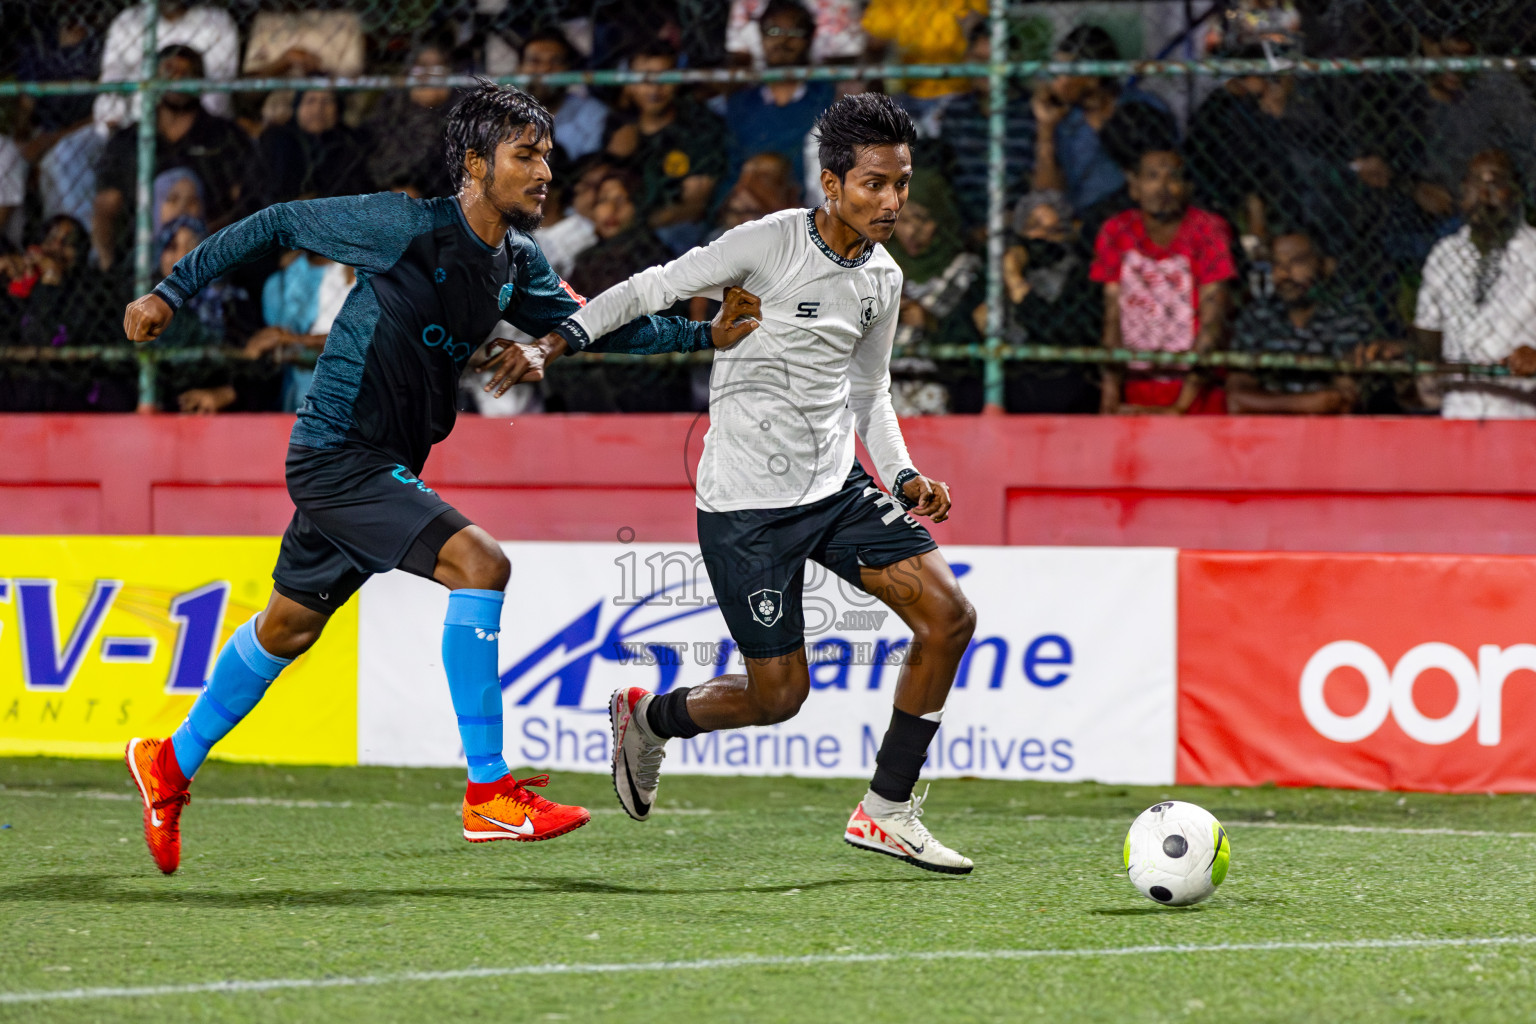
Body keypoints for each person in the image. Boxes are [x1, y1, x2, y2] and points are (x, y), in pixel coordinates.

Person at [118, 82, 764, 875]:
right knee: (482, 563)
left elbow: (590, 324)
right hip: (340, 456)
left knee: (289, 626)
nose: (544, 173)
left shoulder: (514, 260)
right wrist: (170, 290)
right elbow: (280, 219)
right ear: (472, 164)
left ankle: (168, 763)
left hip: (378, 465)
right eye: (524, 157)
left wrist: (705, 333)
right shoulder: (404, 227)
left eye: (547, 157)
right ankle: (488, 793)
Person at [487, 94, 979, 875]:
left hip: (836, 492)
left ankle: (887, 810)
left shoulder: (883, 278)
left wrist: (905, 474)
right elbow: (648, 287)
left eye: (903, 184)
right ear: (832, 183)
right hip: (747, 508)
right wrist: (557, 340)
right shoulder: (768, 243)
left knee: (949, 617)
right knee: (779, 697)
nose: (891, 201)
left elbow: (870, 391)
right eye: (875, 184)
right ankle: (650, 720)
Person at [1091, 147, 1236, 414]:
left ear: (1188, 187)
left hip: (1197, 386)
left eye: (1173, 178)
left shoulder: (1207, 229)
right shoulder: (1116, 230)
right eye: (1152, 176)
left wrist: (1181, 406)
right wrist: (1110, 396)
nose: (1163, 187)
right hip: (1138, 382)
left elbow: (1213, 317)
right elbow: (1112, 315)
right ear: (1134, 186)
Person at [93, 45, 259, 270]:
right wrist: (108, 264)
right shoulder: (129, 139)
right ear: (154, 80)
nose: (178, 79)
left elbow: (246, 204)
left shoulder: (226, 136)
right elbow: (106, 204)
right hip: (141, 258)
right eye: (170, 71)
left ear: (200, 82)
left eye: (188, 73)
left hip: (213, 256)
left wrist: (202, 238)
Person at [1414, 150, 1536, 419]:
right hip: (1460, 413)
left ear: (1516, 192)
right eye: (1475, 185)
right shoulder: (1444, 255)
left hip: (1523, 413)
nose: (1484, 195)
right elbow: (1428, 337)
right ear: (1462, 193)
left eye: (1495, 184)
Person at [1226, 229, 1378, 414]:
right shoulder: (1258, 315)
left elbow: (1344, 400)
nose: (1284, 274)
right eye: (1276, 264)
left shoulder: (1349, 314)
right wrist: (1309, 404)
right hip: (1268, 433)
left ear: (1326, 266)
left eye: (1297, 262)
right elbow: (1237, 399)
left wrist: (1267, 402)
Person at [1032, 26, 1175, 215]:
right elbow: (1048, 196)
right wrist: (1045, 130)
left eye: (1063, 72)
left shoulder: (1143, 108)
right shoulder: (1063, 121)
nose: (1054, 82)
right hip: (1081, 222)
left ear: (1092, 77)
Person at [603, 40, 730, 254]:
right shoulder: (619, 126)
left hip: (675, 230)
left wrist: (634, 225)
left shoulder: (699, 126)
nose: (655, 88)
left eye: (665, 77)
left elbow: (694, 206)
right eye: (645, 78)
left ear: (678, 81)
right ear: (630, 85)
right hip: (622, 222)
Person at [936, 23, 1037, 235]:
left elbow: (1040, 188)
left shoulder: (1032, 112)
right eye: (979, 60)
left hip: (1019, 226)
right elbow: (945, 178)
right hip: (961, 225)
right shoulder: (956, 112)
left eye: (994, 61)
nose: (986, 70)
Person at [724, 0, 834, 189]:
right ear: (761, 36)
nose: (783, 40)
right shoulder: (740, 104)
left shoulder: (829, 99)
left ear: (810, 38)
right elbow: (729, 171)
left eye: (795, 32)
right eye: (773, 31)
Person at [363, 43, 458, 197]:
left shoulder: (460, 106)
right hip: (400, 186)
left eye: (438, 66)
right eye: (422, 66)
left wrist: (435, 107)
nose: (430, 73)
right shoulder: (393, 105)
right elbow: (382, 155)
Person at [259, 90, 372, 202]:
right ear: (297, 106)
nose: (318, 109)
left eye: (327, 101)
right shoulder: (277, 140)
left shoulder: (351, 142)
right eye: (310, 101)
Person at [520, 28, 608, 162]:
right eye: (535, 61)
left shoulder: (592, 113)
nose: (545, 70)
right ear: (519, 68)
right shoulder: (502, 113)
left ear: (569, 69)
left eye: (556, 62)